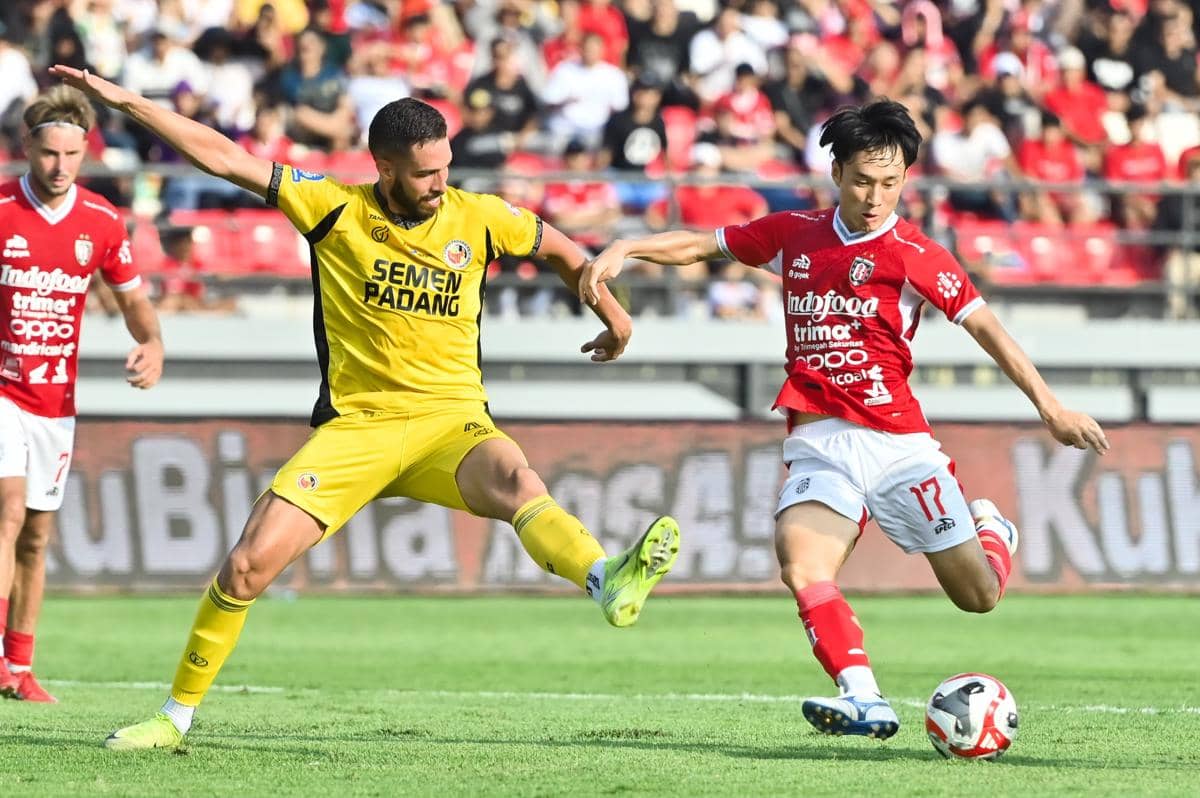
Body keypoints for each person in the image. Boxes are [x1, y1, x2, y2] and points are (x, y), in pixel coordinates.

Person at [45, 67, 680, 749]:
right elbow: (225, 157)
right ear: (383, 167)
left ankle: (604, 579)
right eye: (424, 173)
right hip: (359, 428)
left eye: (445, 167)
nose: (440, 183)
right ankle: (174, 718)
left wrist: (614, 314)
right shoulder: (333, 208)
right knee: (247, 566)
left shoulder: (481, 217)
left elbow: (561, 249)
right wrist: (130, 101)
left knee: (520, 481)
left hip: (450, 422)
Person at [579, 99, 1109, 739]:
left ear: (906, 179)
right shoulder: (795, 232)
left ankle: (991, 530)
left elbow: (988, 329)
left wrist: (1051, 408)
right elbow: (702, 244)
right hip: (820, 440)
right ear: (836, 173)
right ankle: (864, 698)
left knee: (979, 597)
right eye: (862, 180)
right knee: (801, 563)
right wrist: (629, 246)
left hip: (899, 445)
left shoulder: (917, 253)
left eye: (890, 182)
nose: (875, 197)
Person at [0, 85, 163, 703]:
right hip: (3, 390)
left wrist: (153, 343)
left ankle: (19, 666)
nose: (60, 166)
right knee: (7, 512)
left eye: (72, 154)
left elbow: (133, 299)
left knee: (36, 537)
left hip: (55, 403)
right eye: (49, 153)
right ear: (27, 148)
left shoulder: (100, 220)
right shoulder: (2, 209)